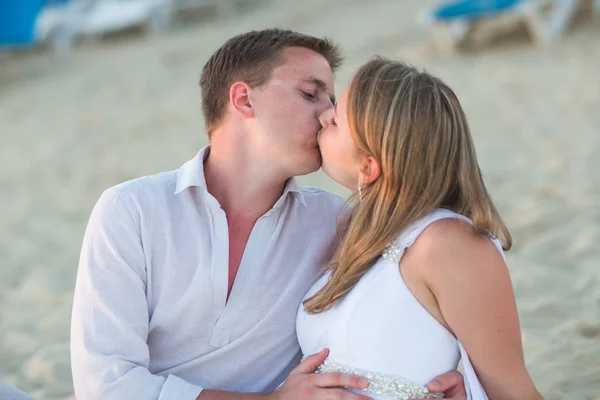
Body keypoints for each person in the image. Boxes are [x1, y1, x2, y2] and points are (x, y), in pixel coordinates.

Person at [70, 29, 467, 400]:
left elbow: (423, 298)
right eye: (311, 94)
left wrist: (452, 376)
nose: (330, 116)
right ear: (244, 100)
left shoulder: (336, 221)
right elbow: (105, 384)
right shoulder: (132, 210)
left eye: (332, 102)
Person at [297, 57, 544, 400]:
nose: (324, 116)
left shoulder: (448, 246)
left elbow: (513, 392)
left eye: (336, 120)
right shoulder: (356, 232)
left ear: (369, 166)